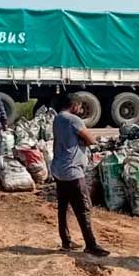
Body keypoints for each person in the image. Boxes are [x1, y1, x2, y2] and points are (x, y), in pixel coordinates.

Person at [50, 93, 110, 257]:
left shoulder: (58, 118)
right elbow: (91, 140)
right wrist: (84, 141)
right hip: (72, 171)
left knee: (63, 207)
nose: (81, 110)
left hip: (59, 169)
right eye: (80, 107)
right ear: (74, 105)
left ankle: (66, 242)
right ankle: (91, 244)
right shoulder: (74, 120)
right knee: (83, 208)